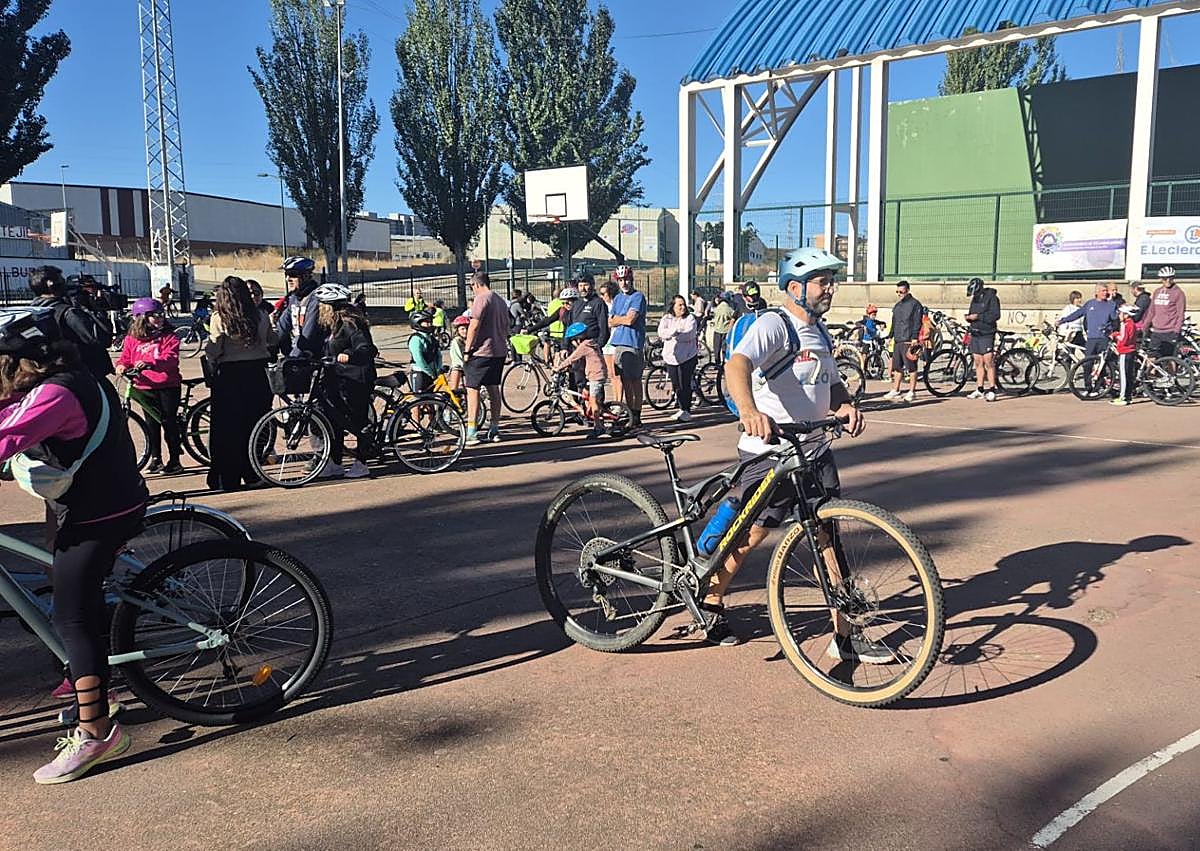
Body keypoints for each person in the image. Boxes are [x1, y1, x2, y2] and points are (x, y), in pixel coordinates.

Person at [0, 306, 147, 784]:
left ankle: (97, 732)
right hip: (109, 501)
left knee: (71, 617)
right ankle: (97, 688)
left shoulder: (55, 395)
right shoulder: (77, 377)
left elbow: (7, 435)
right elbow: (10, 416)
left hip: (97, 514)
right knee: (71, 598)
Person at [717, 248, 876, 657]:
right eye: (823, 282)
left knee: (828, 534)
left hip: (814, 450)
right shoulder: (775, 324)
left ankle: (846, 634)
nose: (831, 289)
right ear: (795, 288)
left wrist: (843, 405)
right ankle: (710, 598)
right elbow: (737, 365)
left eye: (830, 281)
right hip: (772, 452)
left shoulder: (820, 332)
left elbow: (831, 383)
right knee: (752, 533)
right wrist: (750, 411)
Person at [204, 276, 276, 492]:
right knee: (253, 427)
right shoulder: (261, 315)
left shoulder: (220, 318)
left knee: (227, 430)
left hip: (230, 376)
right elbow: (272, 340)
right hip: (258, 373)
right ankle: (252, 472)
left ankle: (227, 478)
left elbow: (214, 350)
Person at [114, 298, 183, 474]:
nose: (159, 318)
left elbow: (171, 358)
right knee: (151, 424)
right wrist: (121, 366)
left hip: (167, 385)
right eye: (154, 316)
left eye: (161, 315)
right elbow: (126, 358)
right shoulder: (132, 339)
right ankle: (155, 458)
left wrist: (151, 363)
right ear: (140, 317)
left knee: (168, 422)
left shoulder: (169, 336)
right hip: (144, 386)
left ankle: (175, 460)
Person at [316, 283, 377, 479]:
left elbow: (366, 348)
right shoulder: (330, 326)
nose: (319, 309)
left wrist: (348, 355)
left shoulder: (352, 323)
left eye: (322, 305)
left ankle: (362, 462)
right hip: (337, 378)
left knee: (358, 420)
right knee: (334, 420)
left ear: (331, 306)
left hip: (355, 378)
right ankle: (334, 462)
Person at [29, 265, 114, 381]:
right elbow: (101, 338)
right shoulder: (69, 313)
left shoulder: (32, 311)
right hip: (83, 374)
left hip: (50, 373)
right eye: (61, 279)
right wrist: (97, 308)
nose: (65, 282)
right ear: (51, 283)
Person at [463, 272, 510, 445]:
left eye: (471, 287)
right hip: (498, 350)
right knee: (493, 390)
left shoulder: (481, 298)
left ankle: (471, 431)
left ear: (476, 284)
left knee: (472, 389)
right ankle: (494, 429)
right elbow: (507, 326)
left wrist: (467, 350)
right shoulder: (500, 300)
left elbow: (474, 325)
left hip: (481, 352)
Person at [1057, 283, 1117, 393]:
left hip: (1104, 338)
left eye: (1106, 291)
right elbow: (1077, 314)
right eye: (1103, 291)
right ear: (1097, 292)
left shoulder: (1111, 304)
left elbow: (1115, 319)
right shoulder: (1090, 304)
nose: (1106, 293)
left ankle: (1098, 387)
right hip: (1092, 338)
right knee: (1087, 364)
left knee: (1102, 364)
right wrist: (1063, 320)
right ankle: (1088, 387)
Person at [607, 265, 647, 427]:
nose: (624, 283)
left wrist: (620, 319)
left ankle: (637, 414)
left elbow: (630, 320)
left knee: (634, 380)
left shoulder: (638, 297)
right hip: (618, 342)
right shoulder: (617, 298)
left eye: (627, 279)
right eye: (621, 280)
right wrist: (620, 319)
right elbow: (611, 321)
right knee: (623, 379)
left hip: (633, 343)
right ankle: (630, 412)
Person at [554, 320, 608, 439]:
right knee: (586, 393)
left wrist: (558, 368)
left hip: (596, 376)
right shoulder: (591, 342)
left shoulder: (584, 346)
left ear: (578, 338)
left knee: (593, 401)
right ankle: (592, 414)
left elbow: (572, 358)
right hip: (596, 374)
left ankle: (599, 427)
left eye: (572, 340)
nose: (572, 343)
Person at [658, 295, 700, 422]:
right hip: (671, 357)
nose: (682, 307)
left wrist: (674, 335)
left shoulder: (690, 318)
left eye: (683, 305)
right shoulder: (667, 318)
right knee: (676, 384)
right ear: (673, 306)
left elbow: (689, 334)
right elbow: (661, 333)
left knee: (684, 383)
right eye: (679, 305)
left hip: (687, 357)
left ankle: (686, 409)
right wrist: (673, 332)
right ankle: (681, 408)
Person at [274, 256, 324, 357]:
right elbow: (281, 328)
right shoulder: (293, 299)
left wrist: (292, 359)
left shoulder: (316, 299)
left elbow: (308, 335)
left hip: (312, 358)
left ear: (306, 276)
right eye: (286, 274)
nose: (288, 279)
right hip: (296, 355)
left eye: (292, 275)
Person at [883, 281, 924, 403]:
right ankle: (896, 389)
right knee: (897, 366)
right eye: (897, 292)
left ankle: (912, 391)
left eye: (901, 292)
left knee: (911, 367)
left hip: (908, 339)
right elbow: (894, 322)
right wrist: (890, 336)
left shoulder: (915, 304)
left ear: (907, 291)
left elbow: (917, 322)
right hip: (898, 339)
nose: (899, 294)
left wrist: (914, 337)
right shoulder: (897, 306)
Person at [964, 277, 1001, 401]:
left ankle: (992, 389)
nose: (973, 295)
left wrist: (979, 316)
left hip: (987, 333)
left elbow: (995, 315)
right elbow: (972, 313)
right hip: (975, 333)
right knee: (978, 361)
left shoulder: (992, 298)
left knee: (988, 361)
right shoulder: (975, 299)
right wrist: (969, 318)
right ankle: (980, 388)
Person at [1139, 266, 1187, 356]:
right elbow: (1152, 311)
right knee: (1151, 357)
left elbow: (1180, 314)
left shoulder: (1178, 293)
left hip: (1170, 331)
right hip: (1156, 331)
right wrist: (1145, 325)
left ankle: (1171, 371)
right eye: (1165, 278)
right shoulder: (1157, 292)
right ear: (1161, 279)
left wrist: (1177, 330)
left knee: (1169, 358)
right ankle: (1151, 371)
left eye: (1170, 278)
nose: (1168, 281)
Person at [1111, 304, 1139, 407]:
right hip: (1131, 351)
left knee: (1123, 375)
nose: (1119, 315)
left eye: (1121, 313)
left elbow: (1123, 339)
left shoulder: (1125, 324)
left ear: (1126, 315)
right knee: (1129, 375)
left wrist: (1115, 336)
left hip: (1124, 351)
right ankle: (1128, 396)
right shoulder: (1132, 324)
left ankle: (1122, 397)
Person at [408, 308, 441, 393]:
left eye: (430, 321)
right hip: (420, 373)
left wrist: (438, 368)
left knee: (431, 399)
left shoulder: (431, 338)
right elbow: (418, 359)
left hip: (432, 373)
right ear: (418, 323)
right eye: (426, 322)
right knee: (418, 400)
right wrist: (429, 372)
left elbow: (438, 354)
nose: (429, 324)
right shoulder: (416, 339)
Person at [599, 281, 621, 399]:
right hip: (606, 342)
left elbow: (611, 323)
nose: (601, 296)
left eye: (603, 294)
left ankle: (619, 401)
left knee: (617, 374)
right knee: (611, 374)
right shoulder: (602, 306)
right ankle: (615, 399)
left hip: (615, 341)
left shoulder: (614, 306)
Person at [709, 291, 736, 364]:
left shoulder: (717, 308)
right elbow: (733, 317)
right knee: (724, 348)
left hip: (717, 330)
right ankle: (724, 363)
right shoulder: (729, 309)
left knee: (716, 349)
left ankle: (717, 362)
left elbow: (712, 314)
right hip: (726, 331)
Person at [447, 314, 470, 391]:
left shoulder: (469, 340)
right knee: (454, 391)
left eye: (467, 328)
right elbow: (458, 358)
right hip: (458, 367)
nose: (465, 331)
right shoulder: (456, 341)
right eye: (462, 329)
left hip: (467, 367)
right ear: (457, 330)